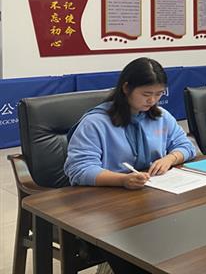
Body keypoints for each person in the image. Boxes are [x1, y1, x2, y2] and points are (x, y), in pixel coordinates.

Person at [64, 57, 196, 274]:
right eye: (146, 94)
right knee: (142, 252)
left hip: (149, 199)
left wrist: (170, 158)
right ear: (126, 88)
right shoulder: (96, 123)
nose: (152, 100)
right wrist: (122, 180)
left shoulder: (161, 117)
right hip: (108, 203)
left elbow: (187, 146)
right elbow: (79, 169)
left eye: (159, 94)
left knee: (183, 235)